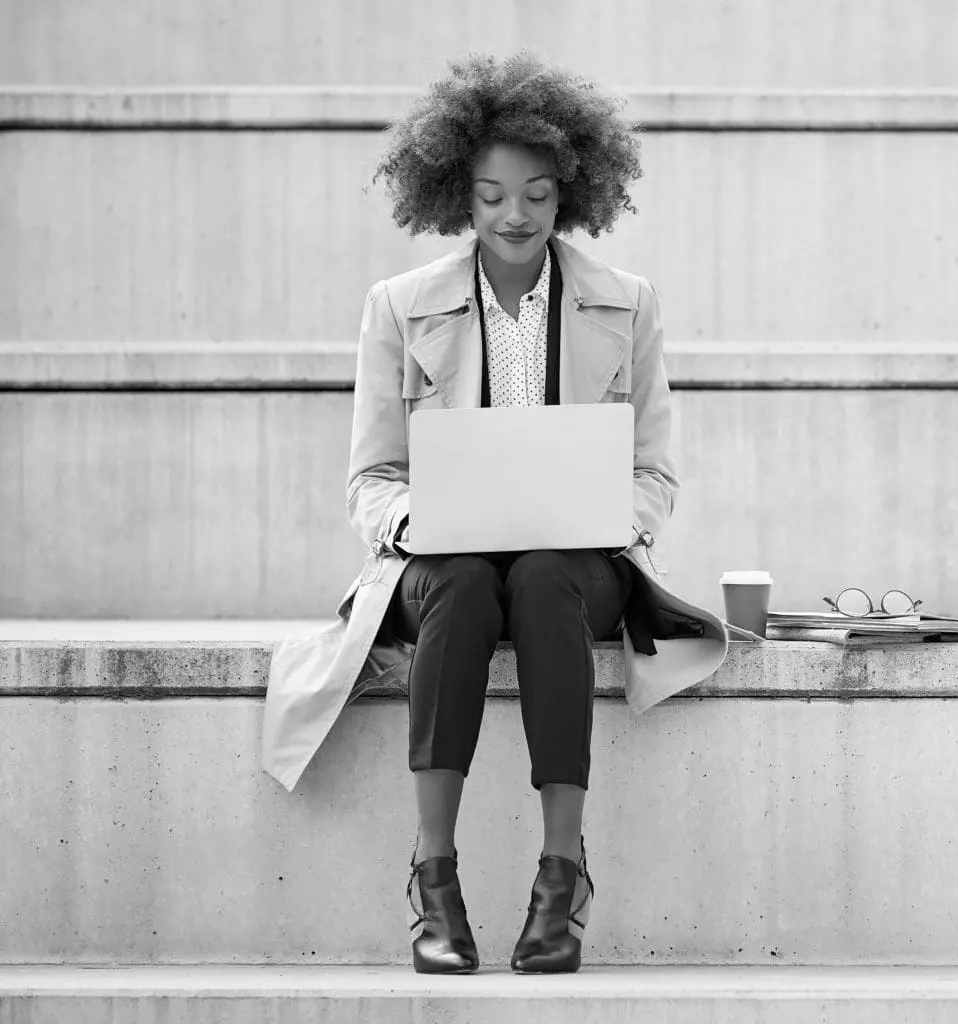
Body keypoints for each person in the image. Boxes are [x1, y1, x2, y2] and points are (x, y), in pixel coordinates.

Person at [260, 49, 731, 976]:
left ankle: (562, 876)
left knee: (548, 577)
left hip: (577, 564)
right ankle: (434, 877)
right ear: (457, 199)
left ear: (571, 195)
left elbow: (655, 473)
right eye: (489, 195)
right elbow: (372, 477)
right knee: (466, 583)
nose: (514, 215)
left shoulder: (626, 305)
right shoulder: (399, 307)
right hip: (441, 566)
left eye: (538, 193)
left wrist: (610, 514)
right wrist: (413, 523)